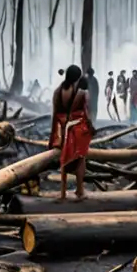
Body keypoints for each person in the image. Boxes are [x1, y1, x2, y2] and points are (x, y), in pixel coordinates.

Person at [48, 65, 95, 201]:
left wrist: (53, 137)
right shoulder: (80, 92)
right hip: (77, 128)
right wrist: (90, 126)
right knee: (80, 158)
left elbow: (55, 114)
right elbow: (86, 112)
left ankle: (63, 192)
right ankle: (80, 190)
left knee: (64, 159)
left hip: (62, 130)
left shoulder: (58, 91)